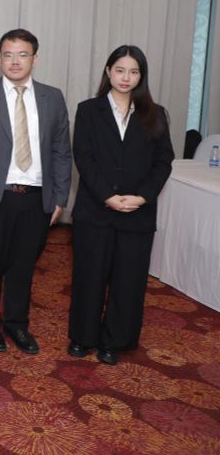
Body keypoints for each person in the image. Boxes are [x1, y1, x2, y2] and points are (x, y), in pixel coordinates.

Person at [0, 29, 72, 354]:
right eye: (8, 54)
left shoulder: (53, 97)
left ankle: (17, 325)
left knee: (24, 265)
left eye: (22, 54)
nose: (14, 61)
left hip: (38, 197)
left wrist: (61, 197)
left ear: (35, 58)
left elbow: (61, 150)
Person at [69, 45, 173, 365]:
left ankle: (115, 340)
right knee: (89, 275)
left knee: (128, 279)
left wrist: (142, 196)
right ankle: (83, 337)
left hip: (137, 213)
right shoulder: (88, 110)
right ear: (108, 71)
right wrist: (107, 196)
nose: (126, 78)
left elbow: (163, 161)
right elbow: (83, 158)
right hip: (96, 209)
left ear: (141, 76)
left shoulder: (155, 114)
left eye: (133, 72)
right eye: (120, 70)